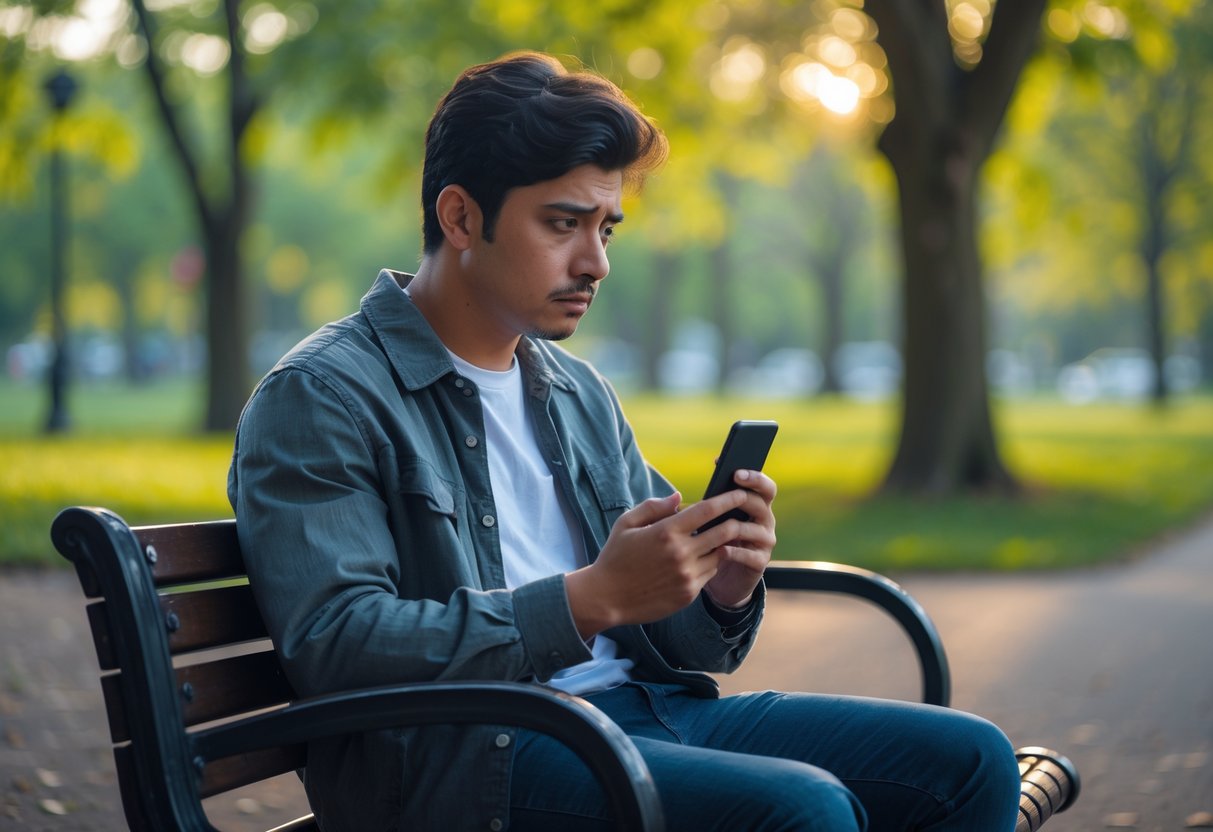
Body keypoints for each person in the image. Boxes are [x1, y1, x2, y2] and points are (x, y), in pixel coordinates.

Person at [228, 51, 1021, 832]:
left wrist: (719, 584)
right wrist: (588, 599)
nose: (595, 262)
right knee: (800, 809)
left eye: (605, 227)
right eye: (563, 224)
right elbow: (335, 643)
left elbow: (670, 636)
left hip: (638, 717)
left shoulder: (575, 391)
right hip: (471, 767)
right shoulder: (323, 396)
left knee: (972, 761)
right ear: (461, 216)